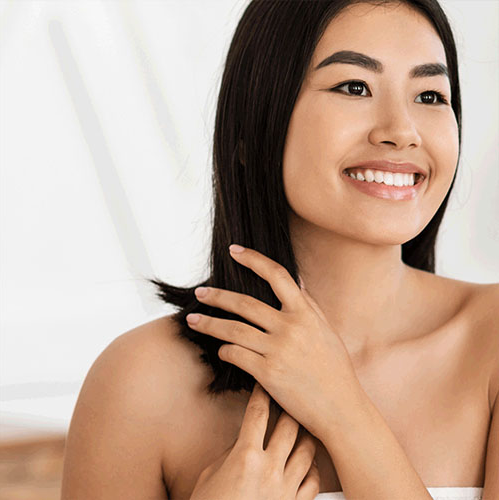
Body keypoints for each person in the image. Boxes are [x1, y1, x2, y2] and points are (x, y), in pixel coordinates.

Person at [60, 1, 498, 499]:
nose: (401, 130)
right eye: (354, 87)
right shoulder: (139, 383)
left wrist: (344, 412)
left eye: (430, 94)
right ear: (253, 125)